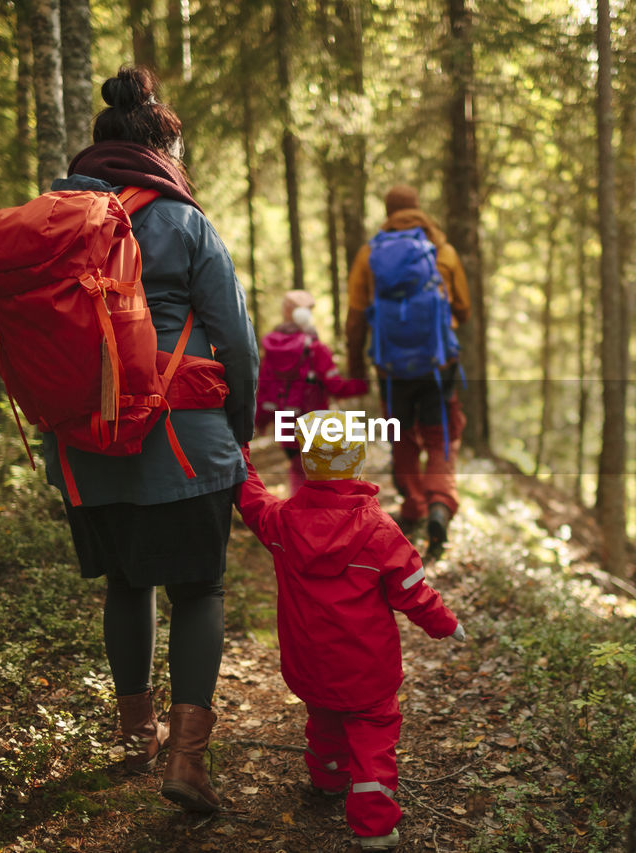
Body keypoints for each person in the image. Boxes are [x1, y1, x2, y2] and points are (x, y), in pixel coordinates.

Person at [39, 65, 258, 814]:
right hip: (184, 442)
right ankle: (186, 763)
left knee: (126, 583)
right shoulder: (184, 221)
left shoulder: (53, 219)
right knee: (199, 589)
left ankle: (135, 735)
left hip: (82, 444)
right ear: (164, 150)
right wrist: (237, 436)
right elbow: (237, 342)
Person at [233, 411, 465, 851]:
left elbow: (251, 497)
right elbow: (413, 593)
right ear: (357, 461)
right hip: (368, 671)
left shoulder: (281, 521)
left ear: (306, 462)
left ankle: (326, 779)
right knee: (373, 739)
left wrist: (239, 452)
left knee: (323, 719)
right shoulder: (380, 531)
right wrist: (446, 624)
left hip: (309, 664)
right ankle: (374, 826)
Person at [345, 185, 472, 560]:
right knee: (441, 432)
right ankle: (440, 502)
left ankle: (414, 505)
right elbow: (462, 307)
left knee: (401, 433)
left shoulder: (370, 254)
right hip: (437, 363)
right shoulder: (441, 251)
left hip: (391, 366)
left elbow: (355, 317)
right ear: (418, 209)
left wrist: (355, 367)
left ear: (387, 212)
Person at [255, 290, 367, 492]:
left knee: (298, 471)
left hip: (285, 427)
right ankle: (318, 519)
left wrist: (260, 421)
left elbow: (264, 388)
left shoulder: (271, 351)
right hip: (315, 424)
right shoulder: (316, 349)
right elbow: (336, 386)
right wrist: (363, 384)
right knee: (320, 477)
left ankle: (299, 516)